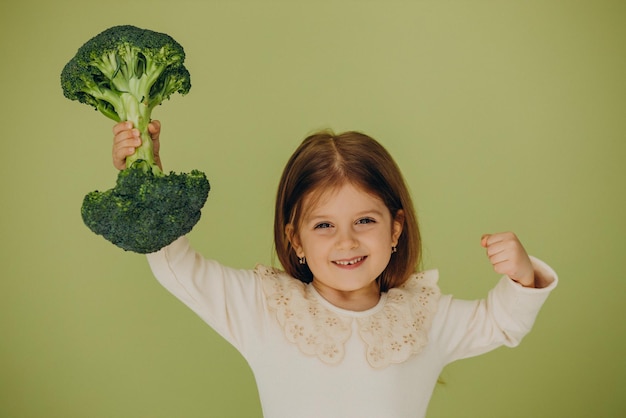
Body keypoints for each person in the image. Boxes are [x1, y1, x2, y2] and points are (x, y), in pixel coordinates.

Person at [112, 121, 558, 418]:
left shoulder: (424, 319)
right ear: (295, 239)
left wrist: (521, 274)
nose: (346, 241)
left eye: (365, 221)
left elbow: (502, 324)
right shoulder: (264, 308)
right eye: (324, 225)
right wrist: (145, 174)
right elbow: (176, 266)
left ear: (396, 229)